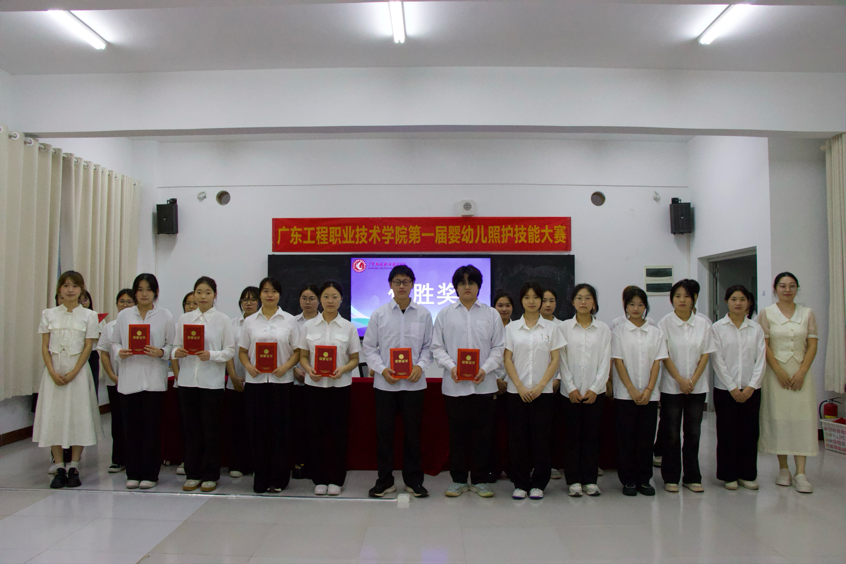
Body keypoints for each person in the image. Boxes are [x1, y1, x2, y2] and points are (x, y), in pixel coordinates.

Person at [432, 265, 505, 498]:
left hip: (484, 384)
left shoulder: (491, 314)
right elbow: (437, 347)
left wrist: (485, 369)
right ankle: (459, 480)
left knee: (483, 435)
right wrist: (452, 367)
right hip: (454, 386)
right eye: (462, 283)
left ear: (478, 287)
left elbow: (499, 347)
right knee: (458, 435)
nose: (467, 287)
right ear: (455, 287)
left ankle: (481, 479)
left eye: (471, 282)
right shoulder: (445, 314)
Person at [363, 265, 434, 498]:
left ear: (413, 284)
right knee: (384, 434)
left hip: (414, 384)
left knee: (413, 434)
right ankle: (385, 480)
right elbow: (368, 347)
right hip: (386, 384)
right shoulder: (379, 314)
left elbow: (429, 347)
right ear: (390, 285)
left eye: (405, 281)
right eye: (397, 282)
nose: (401, 286)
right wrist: (382, 369)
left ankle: (413, 480)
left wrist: (420, 366)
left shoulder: (424, 314)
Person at [34, 271, 103, 488]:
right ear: (59, 290)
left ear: (82, 290)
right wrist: (52, 371)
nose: (70, 290)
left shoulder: (90, 316)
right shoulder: (49, 314)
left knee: (78, 416)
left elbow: (88, 347)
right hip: (54, 373)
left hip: (78, 373)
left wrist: (74, 372)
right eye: (66, 286)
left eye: (75, 286)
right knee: (54, 416)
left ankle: (74, 466)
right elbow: (44, 347)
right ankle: (59, 467)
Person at [172, 276, 235, 493]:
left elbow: (230, 350)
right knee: (191, 429)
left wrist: (212, 355)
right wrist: (178, 352)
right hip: (187, 381)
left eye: (207, 292)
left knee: (210, 430)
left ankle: (210, 474)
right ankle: (192, 474)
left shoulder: (223, 320)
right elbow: (174, 347)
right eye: (199, 292)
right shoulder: (185, 318)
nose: (202, 297)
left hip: (211, 383)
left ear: (215, 295)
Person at [111, 273, 174, 490]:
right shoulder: (124, 316)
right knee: (131, 429)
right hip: (129, 379)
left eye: (148, 289)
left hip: (154, 380)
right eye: (140, 289)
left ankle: (150, 473)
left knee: (151, 429)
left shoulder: (165, 316)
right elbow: (114, 342)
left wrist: (161, 352)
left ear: (156, 292)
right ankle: (133, 472)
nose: (144, 293)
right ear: (134, 292)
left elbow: (172, 345)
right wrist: (120, 352)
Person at [238, 277, 300, 494]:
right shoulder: (249, 322)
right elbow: (242, 351)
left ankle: (279, 479)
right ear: (260, 295)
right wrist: (248, 367)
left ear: (279, 295)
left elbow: (298, 351)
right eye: (265, 291)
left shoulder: (290, 321)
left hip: (281, 383)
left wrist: (286, 367)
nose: (269, 295)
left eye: (273, 291)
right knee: (258, 433)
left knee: (280, 432)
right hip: (256, 384)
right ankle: (261, 478)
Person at [299, 280, 361, 496]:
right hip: (314, 386)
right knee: (315, 432)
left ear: (341, 300)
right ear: (320, 299)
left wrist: (343, 369)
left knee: (338, 433)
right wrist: (308, 369)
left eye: (334, 297)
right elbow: (303, 356)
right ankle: (319, 478)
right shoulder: (308, 326)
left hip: (339, 387)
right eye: (326, 296)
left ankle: (336, 478)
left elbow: (355, 359)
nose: (330, 301)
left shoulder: (349, 327)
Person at [758, 272, 819, 493]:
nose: (787, 290)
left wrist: (802, 371)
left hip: (801, 373)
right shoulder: (767, 313)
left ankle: (800, 472)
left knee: (803, 419)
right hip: (776, 374)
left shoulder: (807, 313)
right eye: (782, 286)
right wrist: (778, 371)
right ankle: (783, 468)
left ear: (797, 289)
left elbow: (812, 344)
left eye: (792, 286)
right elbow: (764, 345)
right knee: (779, 418)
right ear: (775, 289)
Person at [502, 282, 564, 500]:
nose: (532, 301)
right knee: (518, 440)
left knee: (541, 440)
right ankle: (520, 483)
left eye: (536, 297)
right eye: (527, 297)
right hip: (516, 393)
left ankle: (538, 483)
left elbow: (555, 359)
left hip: (542, 394)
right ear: (521, 300)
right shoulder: (511, 329)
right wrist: (519, 386)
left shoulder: (552, 328)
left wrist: (540, 386)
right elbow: (507, 359)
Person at [657, 280, 715, 493]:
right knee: (671, 433)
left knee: (693, 433)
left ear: (694, 299)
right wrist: (680, 380)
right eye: (677, 296)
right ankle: (671, 476)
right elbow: (664, 355)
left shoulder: (703, 323)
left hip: (697, 387)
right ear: (672, 299)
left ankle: (692, 477)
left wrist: (693, 380)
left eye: (687, 296)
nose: (682, 300)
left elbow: (706, 354)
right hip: (672, 387)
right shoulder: (664, 323)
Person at [611, 286, 667, 496]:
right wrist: (632, 390)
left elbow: (657, 363)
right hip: (625, 395)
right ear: (625, 306)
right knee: (626, 439)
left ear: (646, 307)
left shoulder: (655, 333)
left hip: (649, 395)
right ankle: (628, 480)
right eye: (631, 304)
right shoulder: (618, 332)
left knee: (646, 439)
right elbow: (618, 362)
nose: (636, 308)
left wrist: (649, 389)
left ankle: (644, 480)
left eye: (640, 304)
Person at [711, 285, 765, 490]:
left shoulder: (756, 329)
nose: (738, 303)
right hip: (726, 390)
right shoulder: (717, 328)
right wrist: (732, 387)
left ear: (749, 302)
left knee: (750, 433)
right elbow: (717, 360)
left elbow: (761, 360)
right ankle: (729, 475)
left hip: (751, 390)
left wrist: (752, 386)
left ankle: (747, 474)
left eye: (742, 299)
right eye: (734, 299)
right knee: (727, 432)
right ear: (727, 301)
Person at [559, 283, 611, 497]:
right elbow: (560, 360)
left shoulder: (603, 329)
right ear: (572, 301)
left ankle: (589, 480)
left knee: (591, 436)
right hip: (569, 394)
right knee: (572, 437)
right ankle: (573, 480)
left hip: (594, 394)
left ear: (594, 303)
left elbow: (606, 360)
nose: (583, 302)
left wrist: (595, 388)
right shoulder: (564, 328)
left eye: (588, 298)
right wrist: (570, 387)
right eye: (579, 298)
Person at [223, 286, 260, 479]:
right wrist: (232, 376)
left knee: (256, 425)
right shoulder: (232, 324)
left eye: (252, 299)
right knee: (236, 424)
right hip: (235, 381)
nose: (248, 303)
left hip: (258, 382)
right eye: (245, 299)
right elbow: (228, 352)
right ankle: (237, 463)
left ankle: (255, 463)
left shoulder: (262, 324)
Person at [98, 289, 136, 473]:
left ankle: (134, 459)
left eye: (129, 302)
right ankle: (118, 459)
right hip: (115, 380)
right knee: (118, 420)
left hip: (135, 381)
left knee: (134, 421)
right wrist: (112, 376)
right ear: (116, 304)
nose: (125, 305)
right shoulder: (109, 327)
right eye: (122, 301)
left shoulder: (140, 326)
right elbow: (104, 353)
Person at [291, 284, 321, 480]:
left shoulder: (324, 321)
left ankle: (315, 465)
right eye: (304, 298)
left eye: (311, 298)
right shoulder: (292, 322)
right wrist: (294, 369)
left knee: (316, 425)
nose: (308, 302)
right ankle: (299, 463)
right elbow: (287, 350)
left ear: (318, 300)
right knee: (298, 426)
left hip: (318, 382)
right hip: (295, 382)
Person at [540, 288, 567, 480]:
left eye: (552, 300)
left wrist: (558, 378)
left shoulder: (562, 326)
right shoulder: (528, 325)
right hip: (537, 385)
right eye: (544, 300)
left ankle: (555, 464)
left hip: (558, 385)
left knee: (556, 427)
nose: (548, 305)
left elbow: (563, 358)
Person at [174, 291, 199, 476]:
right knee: (187, 426)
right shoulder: (181, 323)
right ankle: (188, 463)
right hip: (185, 380)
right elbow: (173, 351)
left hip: (207, 381)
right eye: (188, 303)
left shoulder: (215, 322)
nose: (191, 306)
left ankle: (205, 468)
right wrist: (178, 376)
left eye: (194, 303)